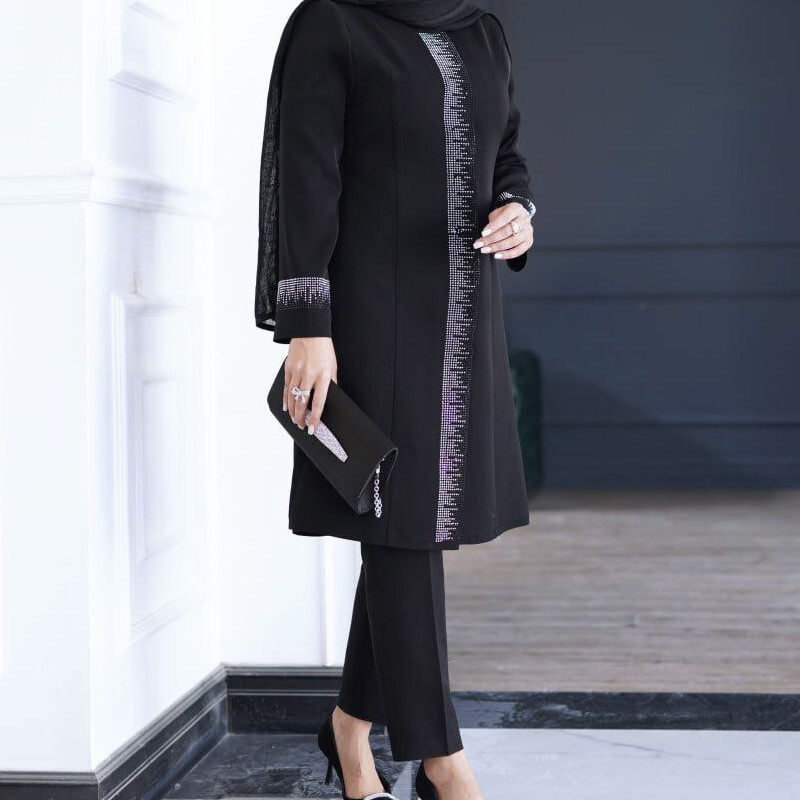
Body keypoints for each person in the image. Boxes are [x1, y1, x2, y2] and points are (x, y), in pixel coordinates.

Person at [255, 1, 536, 798]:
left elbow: (507, 151)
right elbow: (307, 177)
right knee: (400, 521)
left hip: (461, 314)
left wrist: (518, 211)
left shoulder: (480, 28)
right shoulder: (333, 23)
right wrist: (309, 326)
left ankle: (350, 728)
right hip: (369, 315)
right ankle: (443, 763)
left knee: (410, 528)